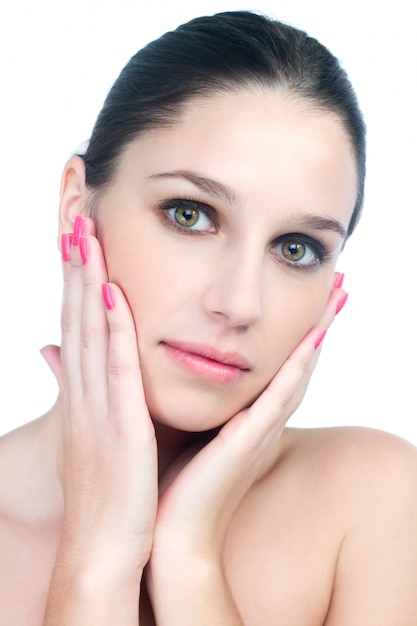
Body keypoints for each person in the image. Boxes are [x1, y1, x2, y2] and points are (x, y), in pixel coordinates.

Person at [0, 9, 416, 625]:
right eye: (190, 214)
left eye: (296, 247)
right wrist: (99, 555)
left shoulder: (379, 502)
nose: (241, 303)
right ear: (75, 210)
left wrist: (189, 557)